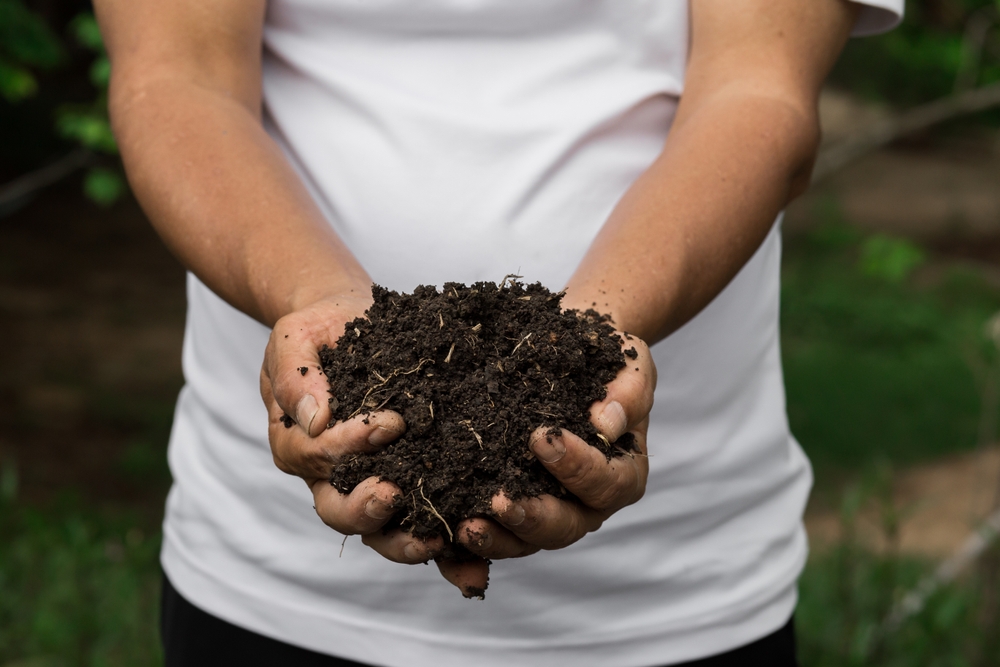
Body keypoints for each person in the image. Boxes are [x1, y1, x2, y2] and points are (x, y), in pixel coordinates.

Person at [95, 0, 903, 665]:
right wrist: (314, 300)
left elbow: (760, 92)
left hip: (676, 595)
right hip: (269, 589)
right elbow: (175, 81)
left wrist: (594, 336)